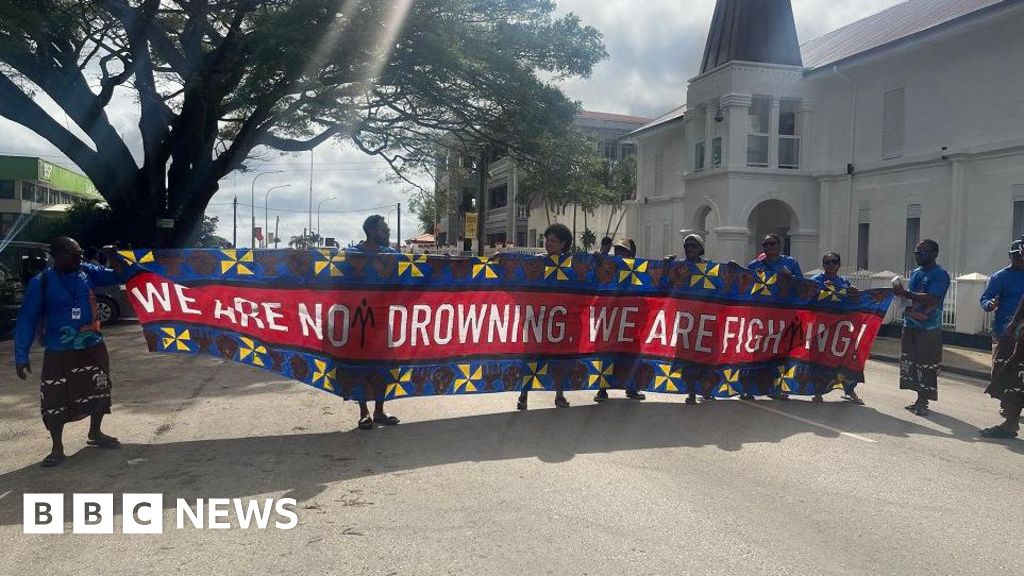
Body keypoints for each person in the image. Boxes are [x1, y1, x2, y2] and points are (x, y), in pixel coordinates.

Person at [14, 237, 122, 467]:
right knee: (55, 398)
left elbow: (118, 276)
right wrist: (21, 355)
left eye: (80, 254)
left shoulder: (87, 272)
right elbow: (27, 318)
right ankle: (57, 447)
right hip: (59, 350)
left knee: (100, 389)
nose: (79, 259)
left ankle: (95, 432)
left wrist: (114, 257)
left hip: (93, 345)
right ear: (57, 257)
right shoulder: (41, 282)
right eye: (73, 256)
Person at [345, 214, 401, 430]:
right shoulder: (352, 255)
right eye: (383, 229)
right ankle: (363, 412)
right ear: (371, 231)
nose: (387, 232)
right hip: (358, 320)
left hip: (381, 321)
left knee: (383, 367)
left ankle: (379, 411)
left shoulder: (392, 255)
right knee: (360, 366)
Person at [892, 239, 950, 416]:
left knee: (926, 363)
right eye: (916, 252)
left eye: (922, 252)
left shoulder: (940, 274)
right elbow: (910, 298)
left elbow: (933, 298)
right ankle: (918, 397)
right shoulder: (916, 273)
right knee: (911, 362)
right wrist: (900, 296)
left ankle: (924, 400)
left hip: (929, 328)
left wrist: (906, 293)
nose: (917, 255)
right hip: (910, 325)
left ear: (934, 254)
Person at [518, 223, 572, 410]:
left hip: (560, 323)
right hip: (537, 322)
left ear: (563, 244)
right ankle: (523, 396)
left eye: (553, 241)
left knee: (559, 360)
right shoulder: (537, 262)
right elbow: (515, 266)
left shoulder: (573, 264)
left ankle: (559, 395)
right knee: (531, 359)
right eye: (547, 241)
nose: (548, 244)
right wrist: (501, 258)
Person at [743, 233, 803, 400]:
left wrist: (790, 277)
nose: (769, 247)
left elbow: (802, 286)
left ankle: (775, 387)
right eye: (766, 245)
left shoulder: (791, 263)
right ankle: (750, 388)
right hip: (761, 314)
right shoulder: (755, 265)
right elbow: (746, 287)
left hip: (784, 314)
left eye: (772, 244)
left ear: (779, 245)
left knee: (780, 352)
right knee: (757, 351)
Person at [978, 240, 1024, 438]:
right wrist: (990, 304)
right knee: (1003, 373)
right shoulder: (1000, 277)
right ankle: (1009, 410)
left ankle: (1011, 417)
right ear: (1010, 255)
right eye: (1017, 254)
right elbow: (985, 299)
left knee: (1017, 376)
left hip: (1020, 334)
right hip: (1004, 334)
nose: (1021, 258)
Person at [594, 238, 646, 403]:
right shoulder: (609, 270)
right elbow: (595, 275)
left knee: (630, 356)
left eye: (623, 251)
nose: (618, 254)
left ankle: (632, 388)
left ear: (631, 255)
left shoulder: (637, 272)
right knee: (607, 356)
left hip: (629, 321)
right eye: (616, 251)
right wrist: (601, 254)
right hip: (611, 321)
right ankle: (602, 390)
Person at [810, 252, 864, 405]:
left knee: (844, 360)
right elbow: (806, 298)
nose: (831, 265)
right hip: (821, 329)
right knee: (818, 360)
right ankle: (817, 391)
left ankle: (850, 390)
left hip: (839, 330)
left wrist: (854, 294)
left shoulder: (845, 283)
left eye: (834, 262)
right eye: (827, 262)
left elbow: (854, 303)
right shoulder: (816, 281)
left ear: (839, 264)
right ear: (823, 265)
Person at [678, 233, 718, 405]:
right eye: (687, 246)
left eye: (693, 246)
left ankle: (706, 390)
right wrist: (666, 266)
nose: (689, 249)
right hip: (687, 320)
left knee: (706, 357)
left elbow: (722, 287)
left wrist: (732, 269)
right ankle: (692, 392)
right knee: (687, 358)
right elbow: (665, 283)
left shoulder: (711, 268)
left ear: (701, 248)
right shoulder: (679, 266)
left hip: (706, 320)